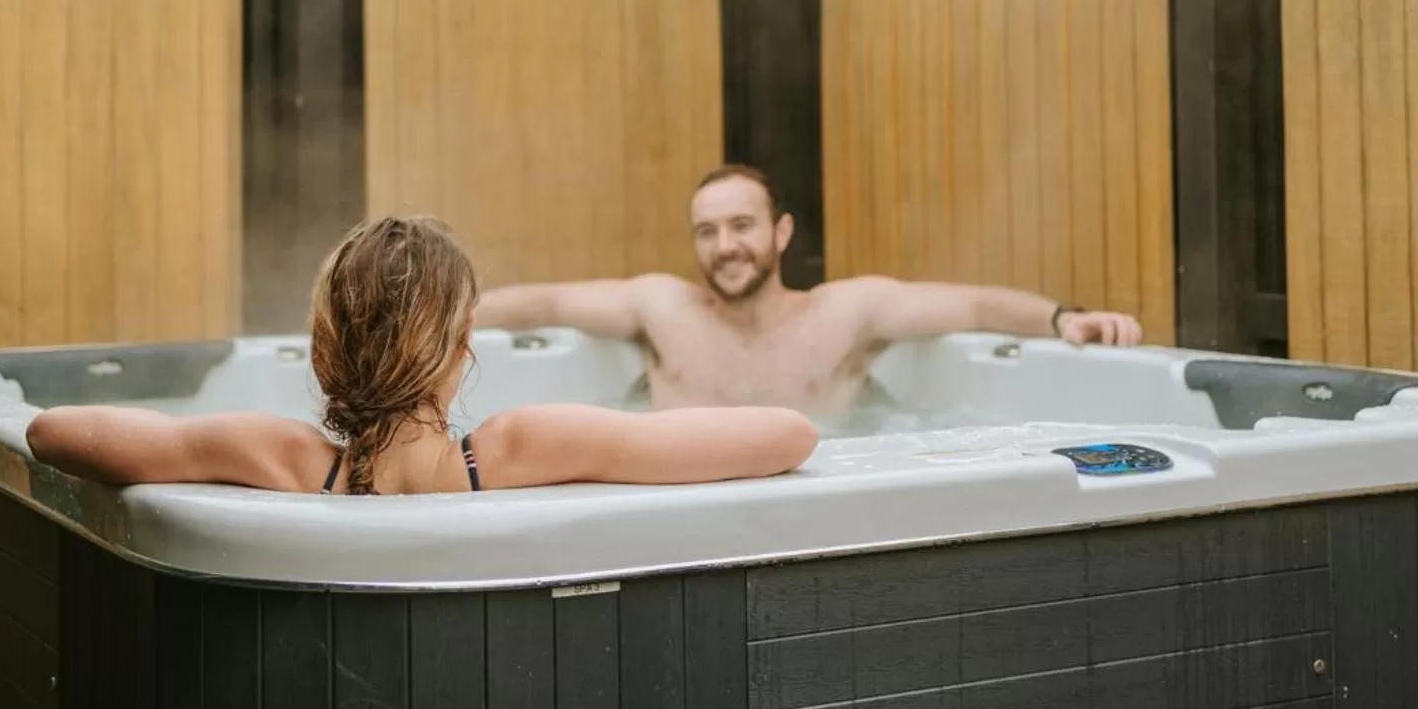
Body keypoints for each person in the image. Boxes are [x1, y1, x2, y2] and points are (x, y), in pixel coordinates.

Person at [25, 214, 817, 495]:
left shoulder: (285, 459)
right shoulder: (520, 447)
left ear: (327, 343)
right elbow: (788, 434)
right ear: (462, 341)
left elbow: (50, 430)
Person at [473, 164, 1146, 419]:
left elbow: (970, 306)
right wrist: (449, 319)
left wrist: (1064, 318)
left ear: (781, 230)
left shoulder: (846, 312)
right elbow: (548, 305)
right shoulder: (662, 306)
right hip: (677, 506)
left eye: (742, 225)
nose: (725, 245)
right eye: (706, 231)